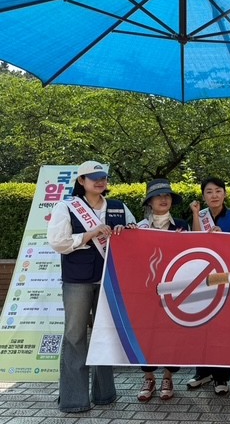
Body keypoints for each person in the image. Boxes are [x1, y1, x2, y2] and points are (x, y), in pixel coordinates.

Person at [47, 160, 136, 413]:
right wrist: (90, 234)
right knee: (75, 336)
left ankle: (105, 394)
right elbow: (58, 242)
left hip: (110, 280)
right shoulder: (67, 207)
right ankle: (73, 399)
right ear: (81, 181)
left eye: (103, 177)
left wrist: (127, 231)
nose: (100, 182)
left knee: (104, 335)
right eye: (94, 178)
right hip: (77, 280)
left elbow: (136, 234)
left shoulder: (119, 207)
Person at [186, 177, 230, 396]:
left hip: (224, 276)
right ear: (203, 196)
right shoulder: (200, 215)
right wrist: (195, 215)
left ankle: (221, 376)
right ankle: (202, 372)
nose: (214, 195)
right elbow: (193, 242)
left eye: (218, 191)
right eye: (209, 192)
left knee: (221, 327)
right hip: (201, 276)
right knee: (201, 324)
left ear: (225, 194)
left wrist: (224, 239)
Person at [135, 178, 188, 402]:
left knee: (172, 333)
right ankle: (148, 377)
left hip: (174, 289)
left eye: (167, 196)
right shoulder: (138, 227)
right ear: (149, 202)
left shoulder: (182, 225)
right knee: (145, 333)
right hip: (146, 289)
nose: (163, 199)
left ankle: (168, 377)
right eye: (158, 196)